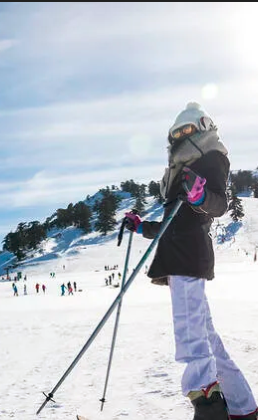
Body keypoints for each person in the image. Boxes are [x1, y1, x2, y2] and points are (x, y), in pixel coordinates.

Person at [124, 102, 257, 420]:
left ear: (202, 127)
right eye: (177, 133)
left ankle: (208, 405)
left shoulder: (210, 156)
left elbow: (219, 204)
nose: (182, 136)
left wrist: (200, 197)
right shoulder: (180, 172)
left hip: (190, 254)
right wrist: (142, 226)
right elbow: (173, 223)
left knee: (190, 331)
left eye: (188, 130)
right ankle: (244, 407)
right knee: (206, 334)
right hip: (178, 253)